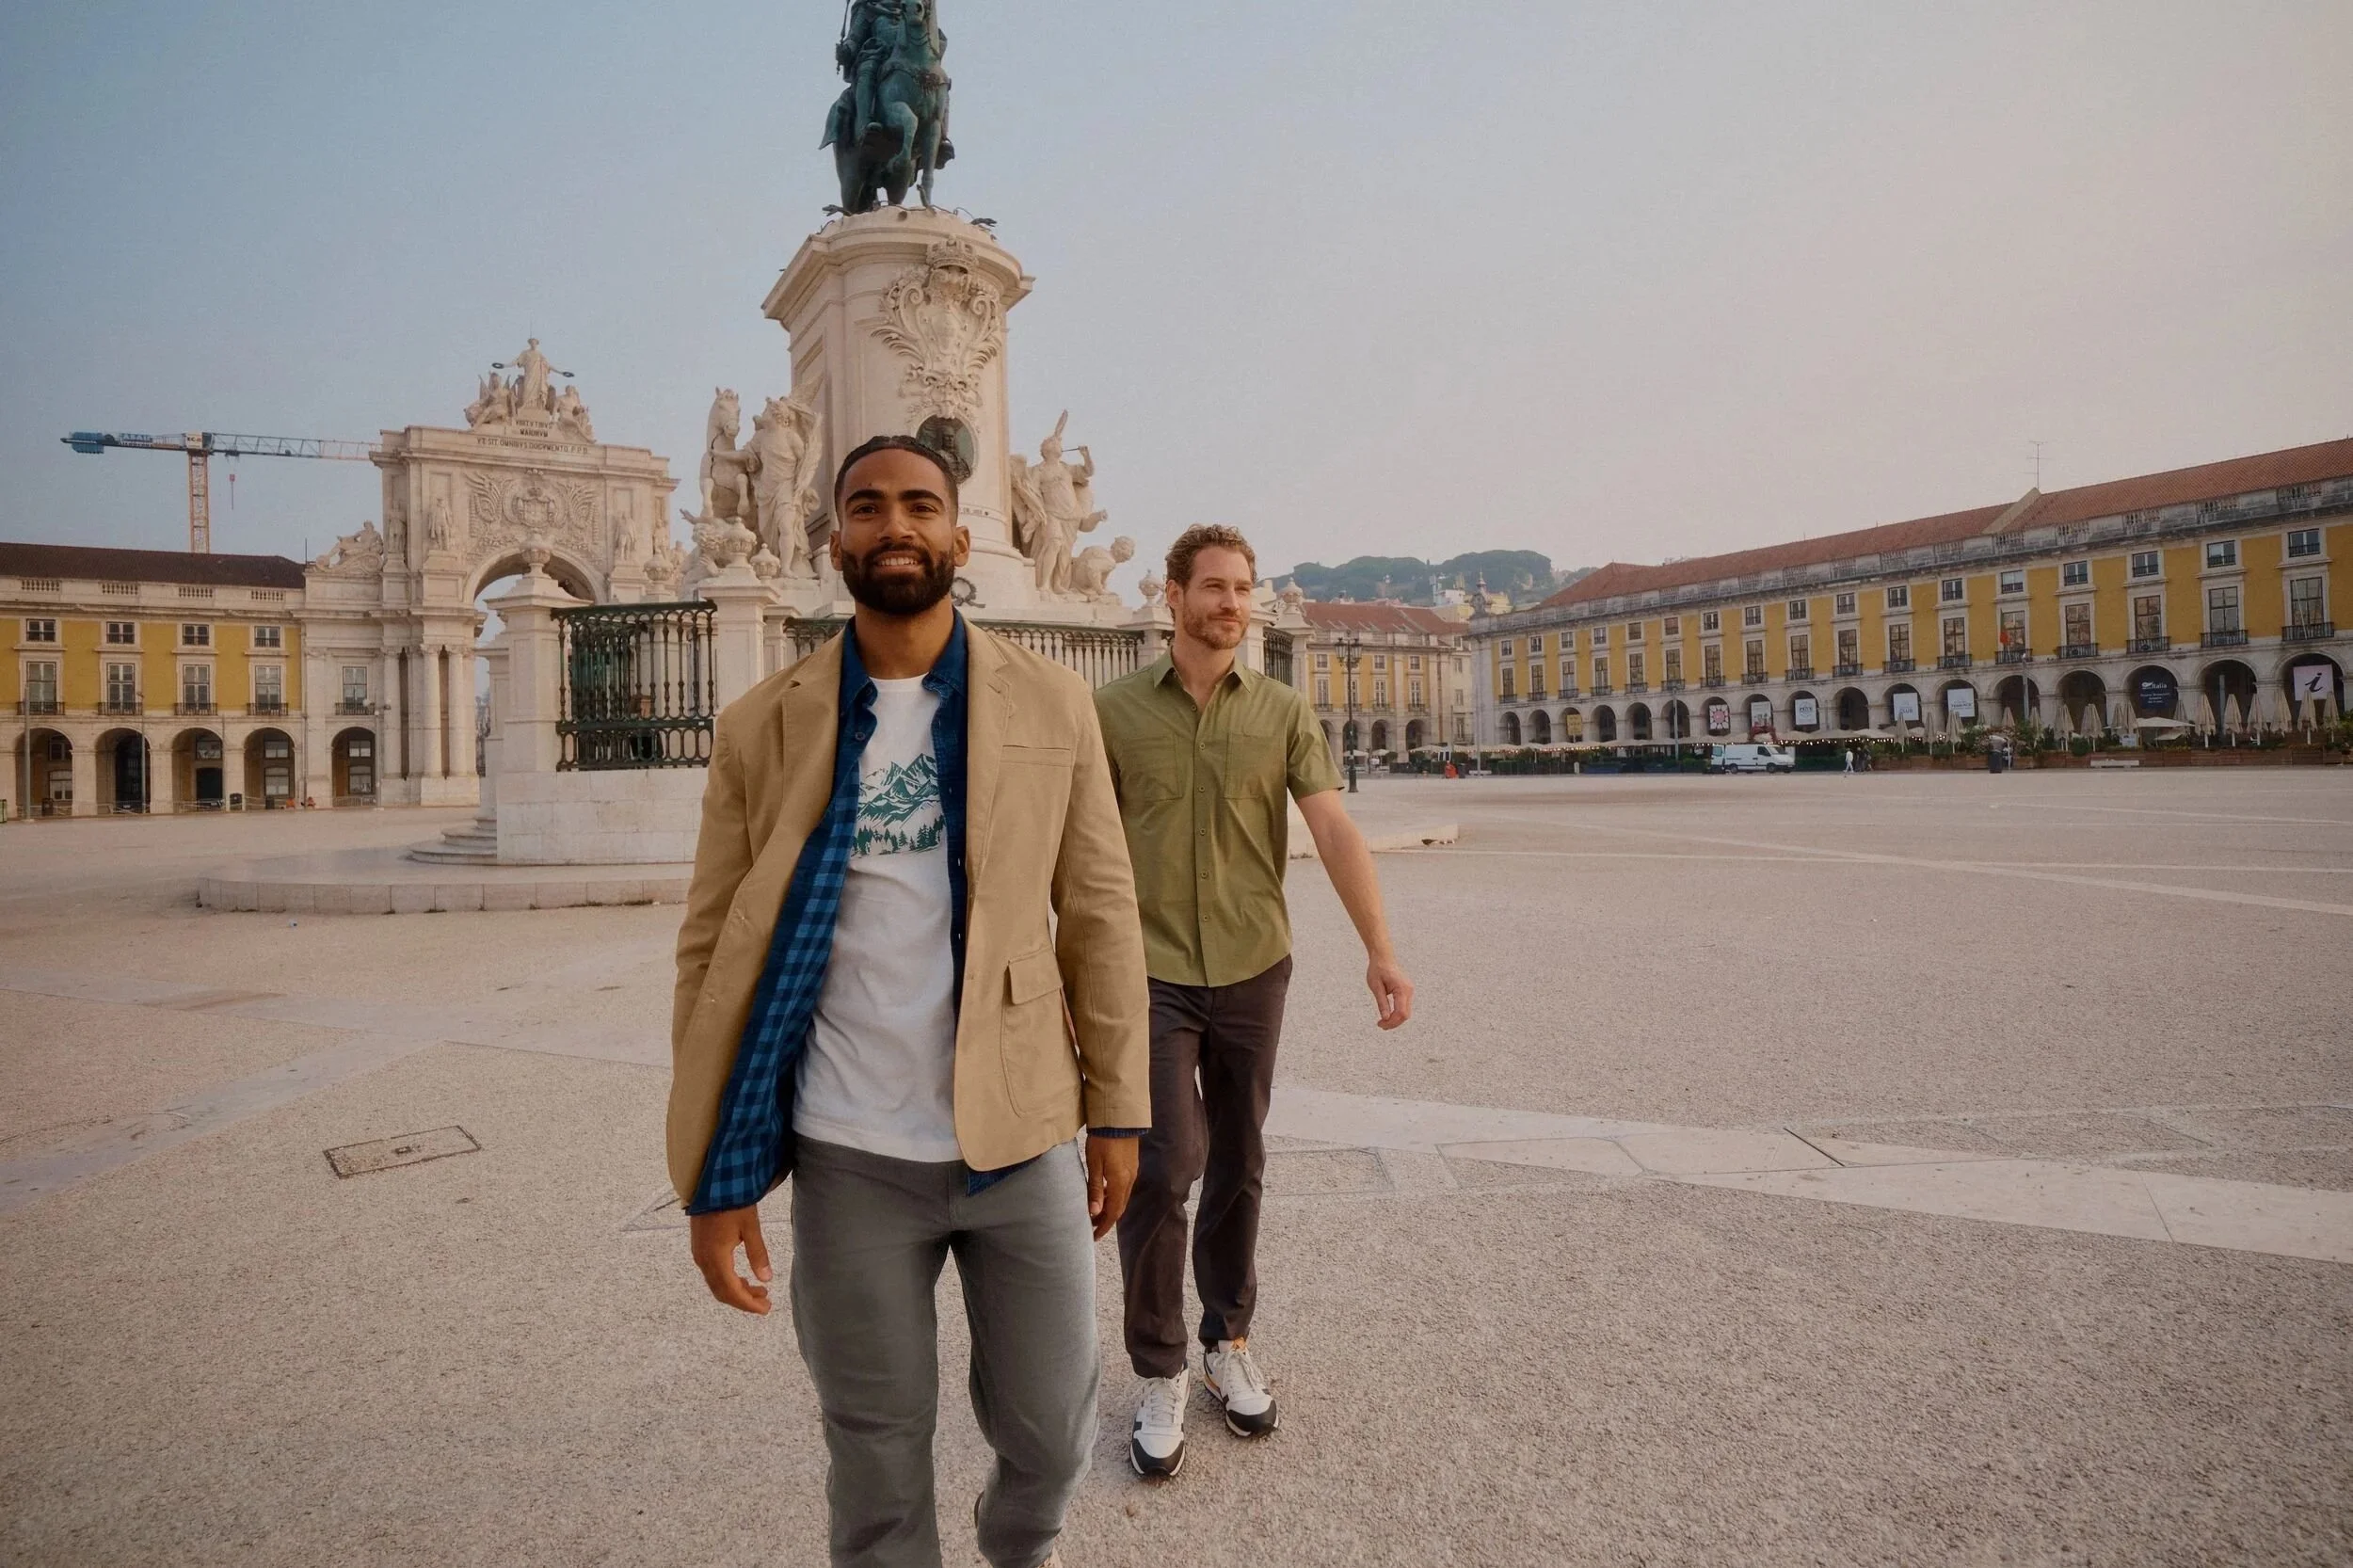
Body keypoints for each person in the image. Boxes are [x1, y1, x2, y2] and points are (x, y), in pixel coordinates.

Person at [668, 434, 1150, 1568]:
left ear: (960, 535)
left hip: (1019, 1133)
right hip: (849, 1154)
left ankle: (1015, 1547)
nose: (896, 525)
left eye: (921, 505)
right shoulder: (759, 723)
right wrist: (709, 1176)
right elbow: (710, 952)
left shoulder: (1051, 703)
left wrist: (1119, 1108)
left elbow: (1098, 911)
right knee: (875, 1451)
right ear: (834, 537)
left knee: (1052, 1433)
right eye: (869, 506)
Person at [1093, 524, 1415, 1481]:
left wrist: (1380, 950)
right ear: (1172, 596)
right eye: (1214, 587)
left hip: (1251, 964)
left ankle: (1225, 1340)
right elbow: (1080, 850)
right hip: (1147, 970)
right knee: (1162, 1166)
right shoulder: (1111, 712)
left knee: (1239, 1159)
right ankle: (1158, 1366)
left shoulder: (1282, 710)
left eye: (1243, 589)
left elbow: (1333, 827)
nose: (1232, 604)